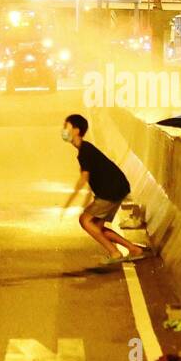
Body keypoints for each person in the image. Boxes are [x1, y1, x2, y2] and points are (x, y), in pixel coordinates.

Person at [61, 113, 148, 264]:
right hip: (115, 187)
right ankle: (134, 249)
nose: (63, 130)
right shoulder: (84, 149)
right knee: (97, 227)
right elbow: (89, 180)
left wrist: (69, 203)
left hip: (111, 190)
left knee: (85, 220)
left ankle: (114, 253)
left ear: (76, 130)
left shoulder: (85, 151)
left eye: (66, 127)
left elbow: (83, 180)